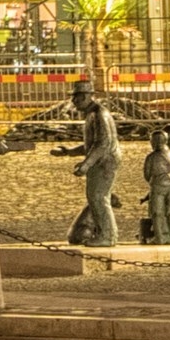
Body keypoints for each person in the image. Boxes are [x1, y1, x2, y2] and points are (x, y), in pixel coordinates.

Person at [70, 83, 126, 250]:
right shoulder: (92, 114)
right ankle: (105, 233)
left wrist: (86, 164)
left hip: (104, 161)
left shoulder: (99, 114)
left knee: (98, 197)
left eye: (77, 97)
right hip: (101, 160)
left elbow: (103, 143)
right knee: (96, 197)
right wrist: (68, 151)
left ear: (87, 96)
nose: (74, 101)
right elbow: (91, 144)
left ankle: (107, 235)